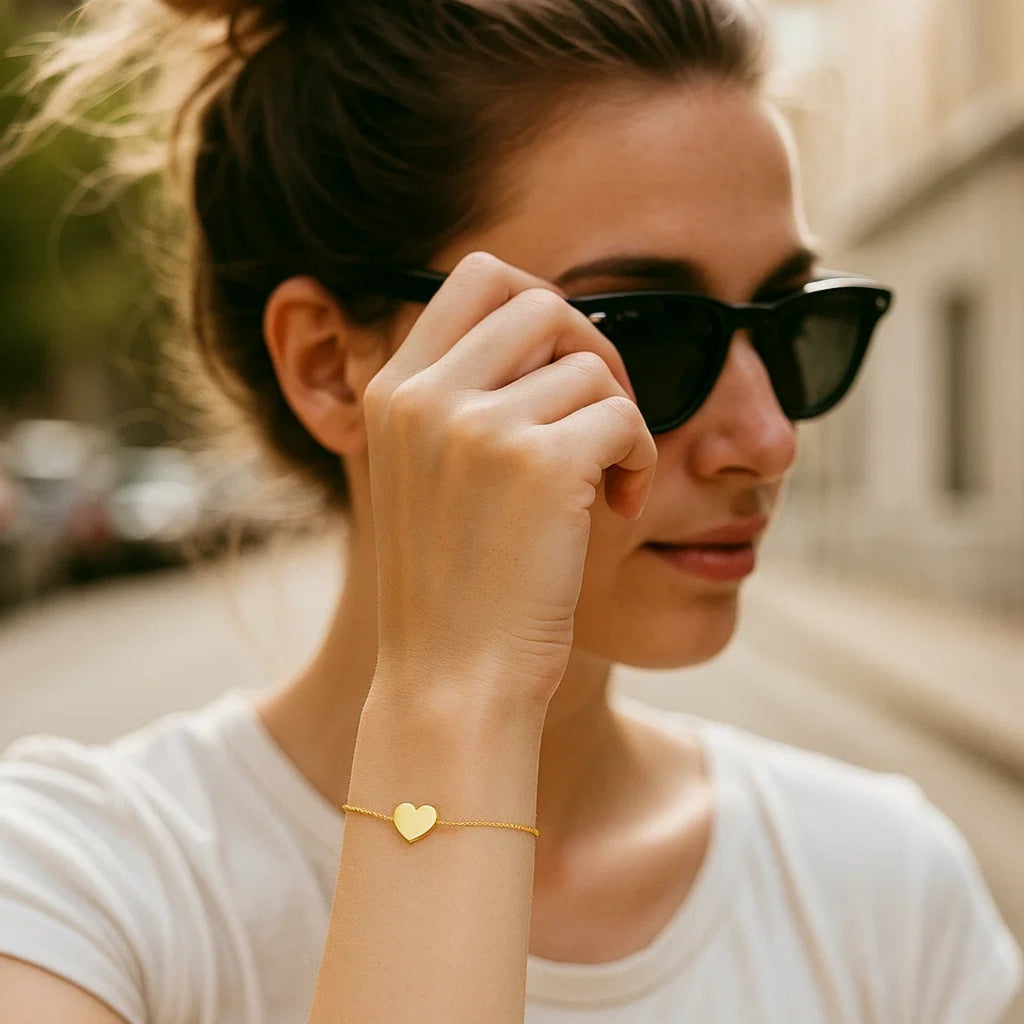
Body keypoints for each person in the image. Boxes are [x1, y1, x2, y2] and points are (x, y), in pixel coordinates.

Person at [0, 0, 1020, 1020]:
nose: (766, 440)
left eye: (799, 325)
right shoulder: (73, 893)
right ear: (328, 364)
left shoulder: (889, 890)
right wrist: (457, 693)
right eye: (649, 332)